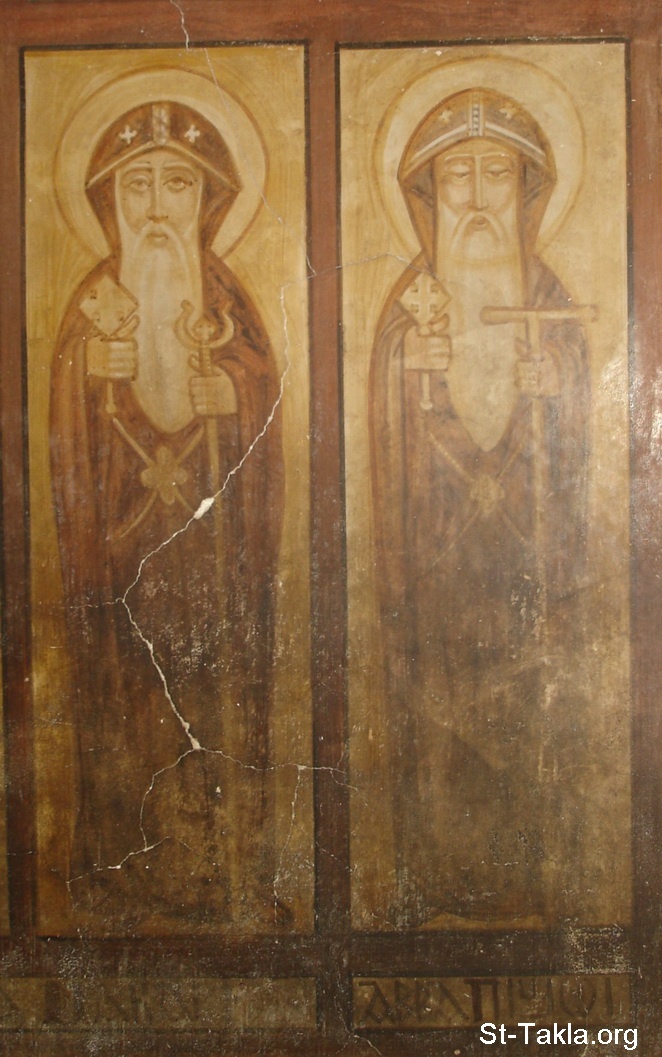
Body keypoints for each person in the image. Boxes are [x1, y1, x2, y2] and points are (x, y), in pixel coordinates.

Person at [50, 101, 284, 925]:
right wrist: (88, 373)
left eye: (176, 185)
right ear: (109, 201)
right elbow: (60, 444)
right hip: (119, 562)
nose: (156, 208)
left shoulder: (231, 306)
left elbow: (269, 412)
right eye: (137, 186)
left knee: (214, 704)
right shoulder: (93, 305)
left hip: (215, 562)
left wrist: (237, 394)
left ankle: (224, 872)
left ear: (208, 201)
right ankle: (118, 874)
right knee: (125, 706)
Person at [370, 89, 590, 925]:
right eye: (454, 174)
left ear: (526, 189)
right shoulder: (410, 307)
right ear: (427, 193)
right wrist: (405, 371)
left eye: (495, 172)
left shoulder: (551, 300)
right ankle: (437, 883)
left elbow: (589, 434)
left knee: (528, 721)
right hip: (435, 580)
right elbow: (378, 437)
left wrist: (559, 385)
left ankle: (531, 883)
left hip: (529, 572)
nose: (474, 197)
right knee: (439, 723)